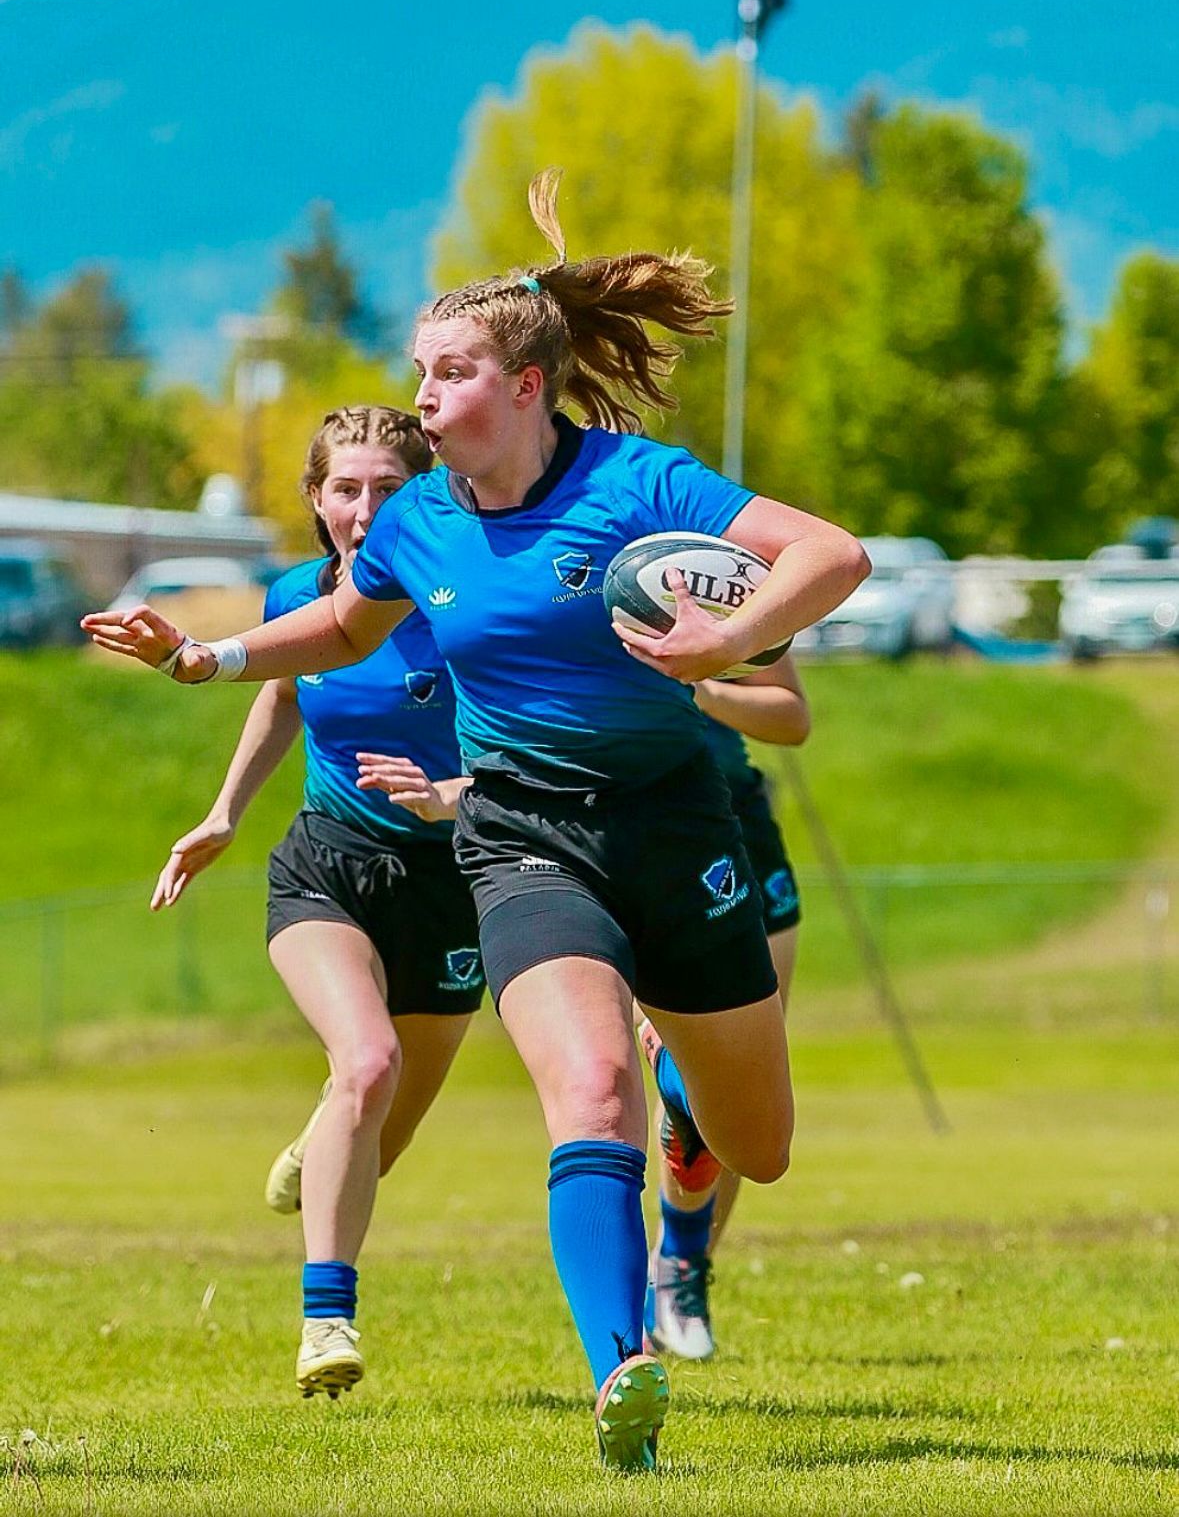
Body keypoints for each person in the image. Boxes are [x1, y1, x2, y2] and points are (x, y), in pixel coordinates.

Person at [83, 170, 869, 1473]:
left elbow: (830, 553)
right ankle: (622, 1372)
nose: (423, 395)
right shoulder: (418, 521)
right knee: (592, 1087)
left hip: (676, 834)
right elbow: (342, 624)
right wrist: (204, 658)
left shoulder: (637, 486)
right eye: (417, 372)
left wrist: (723, 641)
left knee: (756, 1148)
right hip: (519, 838)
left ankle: (689, 1153)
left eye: (444, 374)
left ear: (520, 387)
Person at [147, 406, 484, 1400]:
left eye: (391, 487)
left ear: (426, 494)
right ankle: (325, 1320)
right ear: (316, 499)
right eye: (348, 488)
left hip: (453, 883)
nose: (367, 507)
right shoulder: (300, 595)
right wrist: (223, 815)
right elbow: (283, 689)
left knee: (384, 1123)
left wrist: (459, 798)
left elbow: (537, 738)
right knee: (367, 1062)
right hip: (327, 869)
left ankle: (322, 1134)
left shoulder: (471, 602)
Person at [643, 655, 809, 1362]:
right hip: (625, 821)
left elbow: (789, 716)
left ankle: (681, 1276)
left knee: (744, 1086)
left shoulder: (709, 570)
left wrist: (704, 688)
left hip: (735, 822)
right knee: (668, 1063)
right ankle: (656, 1274)